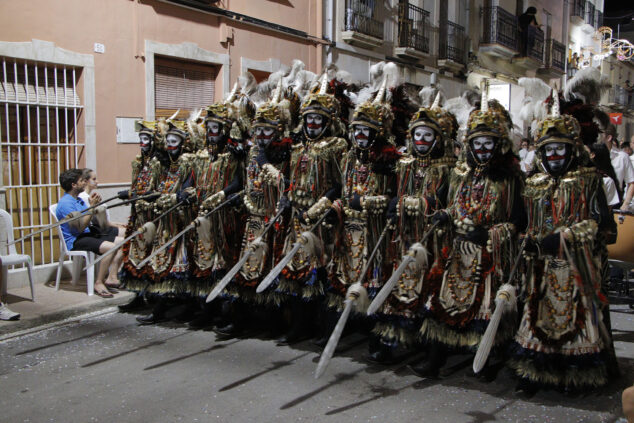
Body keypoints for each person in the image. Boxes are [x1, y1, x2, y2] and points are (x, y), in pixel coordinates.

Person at [414, 91, 526, 379]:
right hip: (459, 249)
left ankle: (486, 359)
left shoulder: (511, 177)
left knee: (486, 308)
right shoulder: (461, 172)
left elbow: (517, 221)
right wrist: (446, 215)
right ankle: (435, 359)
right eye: (477, 143)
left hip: (490, 253)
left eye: (488, 143)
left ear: (498, 144)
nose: (482, 148)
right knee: (442, 301)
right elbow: (455, 205)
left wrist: (489, 233)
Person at [509, 94, 615, 393]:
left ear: (571, 150)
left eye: (560, 149)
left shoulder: (589, 179)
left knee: (574, 317)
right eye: (548, 149)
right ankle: (533, 371)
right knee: (536, 314)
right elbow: (525, 222)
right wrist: (526, 241)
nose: (554, 155)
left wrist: (567, 236)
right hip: (540, 263)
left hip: (576, 264)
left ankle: (573, 374)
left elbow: (601, 224)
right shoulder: (532, 183)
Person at [56, 168, 125, 297]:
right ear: (74, 185)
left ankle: (111, 277)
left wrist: (96, 205)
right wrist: (92, 208)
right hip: (76, 239)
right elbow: (79, 228)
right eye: (82, 181)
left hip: (88, 233)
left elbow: (92, 220)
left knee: (124, 241)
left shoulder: (78, 200)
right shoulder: (66, 204)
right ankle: (98, 282)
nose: (84, 183)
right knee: (111, 247)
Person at [599, 123, 634, 212]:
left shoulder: (622, 157)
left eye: (600, 135)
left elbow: (631, 182)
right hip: (595, 204)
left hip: (615, 205)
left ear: (608, 138)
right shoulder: (592, 155)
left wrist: (626, 204)